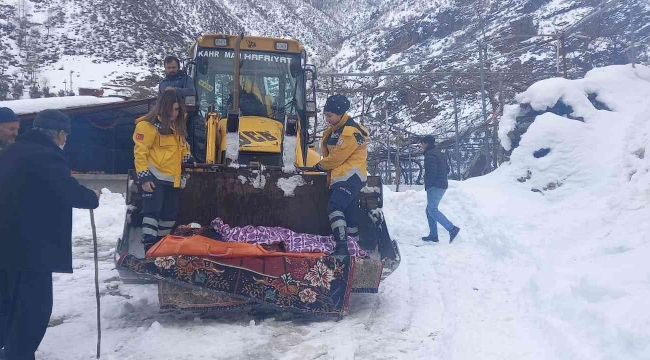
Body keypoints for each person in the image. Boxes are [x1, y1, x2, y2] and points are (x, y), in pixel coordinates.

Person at [0, 109, 100, 360]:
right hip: (31, 251)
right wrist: (92, 197)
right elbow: (67, 190)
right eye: (64, 136)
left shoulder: (13, 151)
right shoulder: (46, 156)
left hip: (7, 245)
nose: (64, 141)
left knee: (9, 308)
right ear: (59, 134)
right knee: (34, 311)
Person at [133, 90, 194, 253]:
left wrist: (187, 156)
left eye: (177, 110)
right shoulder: (146, 126)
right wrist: (144, 178)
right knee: (152, 214)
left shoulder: (176, 128)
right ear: (163, 108)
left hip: (172, 180)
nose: (174, 114)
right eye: (172, 110)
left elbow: (182, 147)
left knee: (169, 216)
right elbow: (140, 152)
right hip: (154, 179)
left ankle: (160, 247)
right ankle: (149, 248)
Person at [314, 94, 369, 256]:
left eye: (330, 116)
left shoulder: (350, 132)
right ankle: (354, 246)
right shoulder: (334, 131)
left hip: (350, 177)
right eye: (325, 115)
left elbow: (337, 157)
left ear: (340, 114)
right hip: (341, 176)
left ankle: (342, 247)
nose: (327, 119)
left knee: (335, 206)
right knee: (349, 213)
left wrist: (318, 166)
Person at [420, 135, 460, 243]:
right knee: (429, 210)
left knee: (432, 210)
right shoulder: (439, 153)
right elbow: (447, 169)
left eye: (422, 143)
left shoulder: (429, 155)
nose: (421, 145)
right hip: (441, 184)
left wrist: (429, 183)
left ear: (426, 143)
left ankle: (452, 229)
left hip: (435, 186)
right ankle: (433, 235)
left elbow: (432, 171)